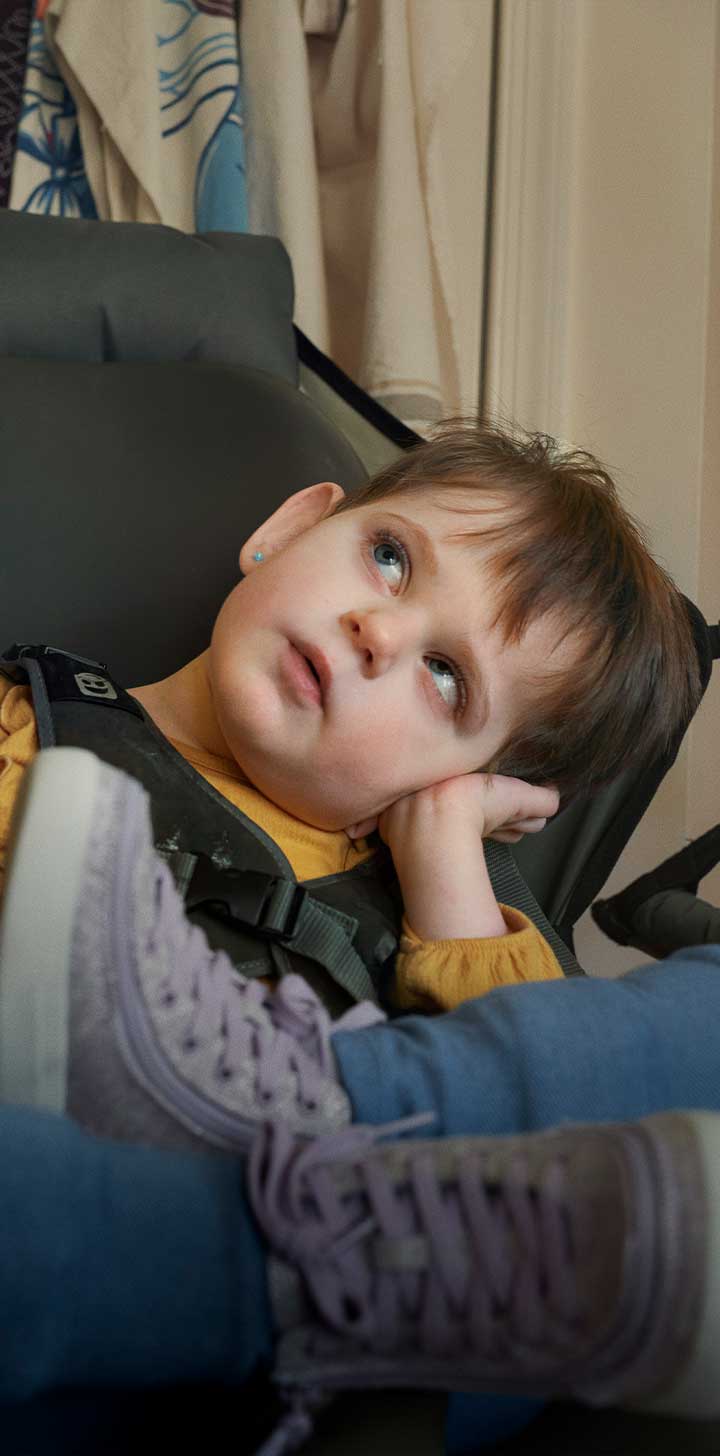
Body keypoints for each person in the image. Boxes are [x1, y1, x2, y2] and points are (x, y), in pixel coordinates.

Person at [0, 418, 701, 1149]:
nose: (381, 633)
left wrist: (445, 851)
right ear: (293, 528)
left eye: (446, 677)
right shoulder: (20, 717)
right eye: (390, 559)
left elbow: (554, 1114)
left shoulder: (424, 921)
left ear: (455, 778)